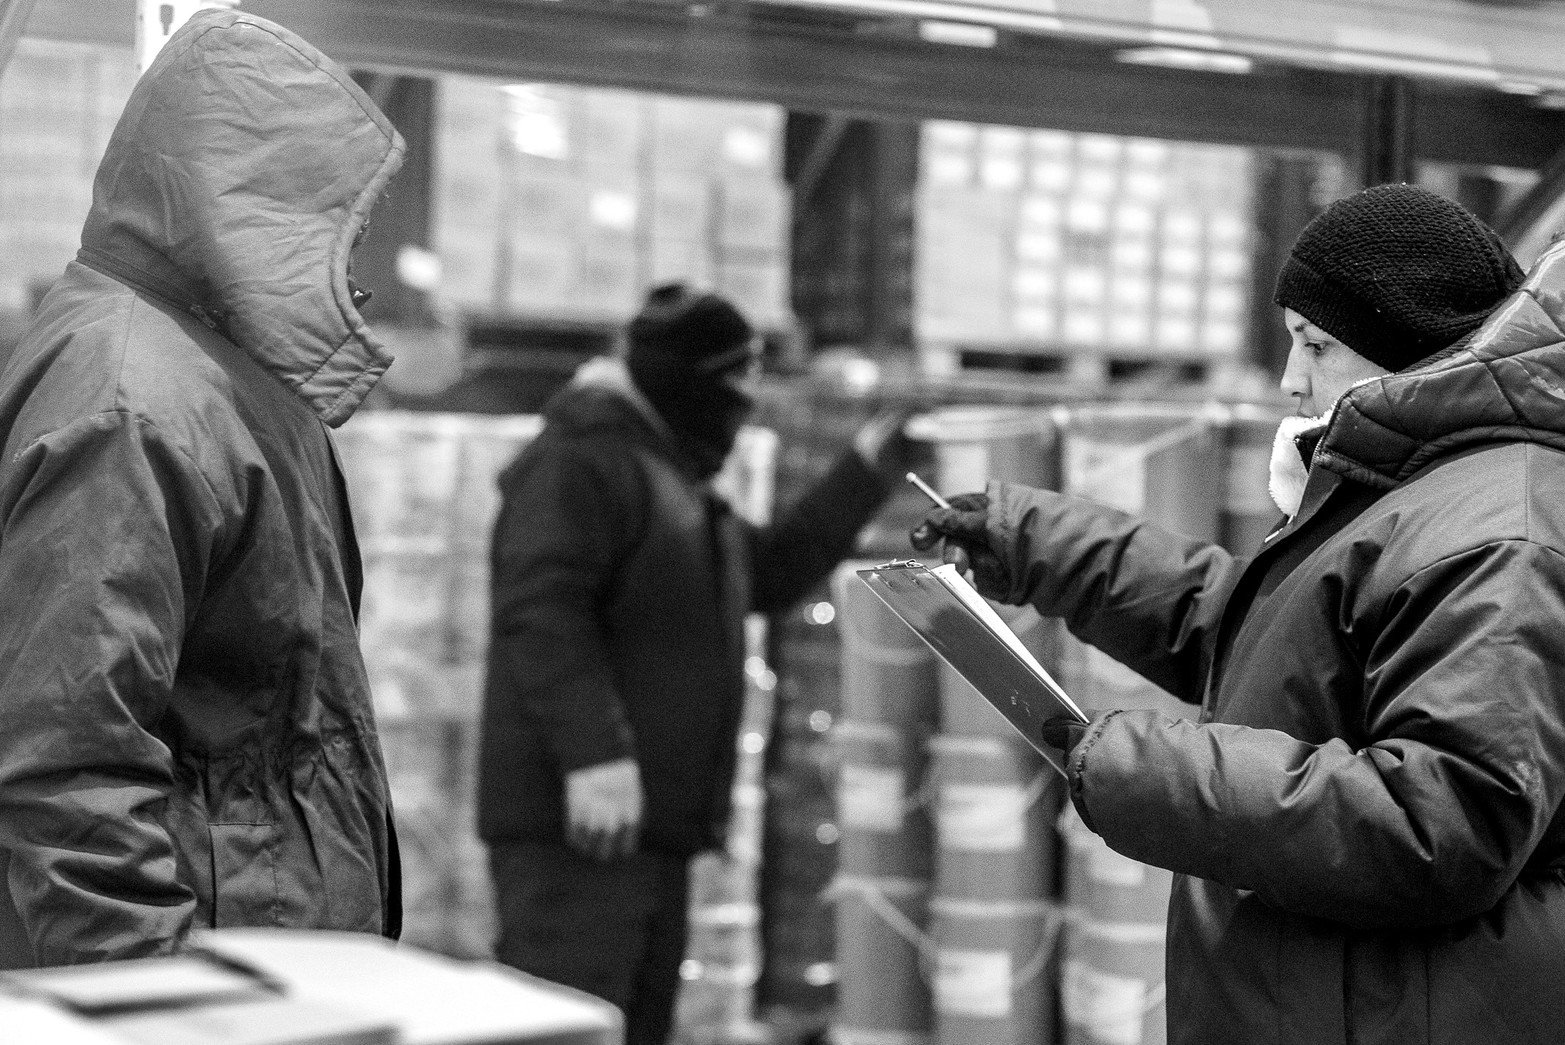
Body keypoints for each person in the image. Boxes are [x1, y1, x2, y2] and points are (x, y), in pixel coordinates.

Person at [912, 183, 1565, 1044]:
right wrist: (1034, 540)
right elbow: (1266, 640)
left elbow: (1439, 824)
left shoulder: (1495, 532)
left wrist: (1145, 772)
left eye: (1315, 343)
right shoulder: (1424, 494)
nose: (1292, 379)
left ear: (1404, 342)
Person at [0, 9, 405, 967]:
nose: (355, 269)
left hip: (258, 962)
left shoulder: (218, 378)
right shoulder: (133, 402)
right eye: (336, 227)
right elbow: (64, 761)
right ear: (255, 209)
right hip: (202, 978)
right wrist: (158, 1008)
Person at [478, 283, 913, 1045]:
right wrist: (594, 754)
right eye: (733, 382)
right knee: (568, 1028)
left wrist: (867, 469)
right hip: (580, 832)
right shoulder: (580, 463)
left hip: (645, 832)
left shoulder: (669, 477)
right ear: (682, 377)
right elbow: (541, 611)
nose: (742, 402)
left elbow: (770, 571)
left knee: (634, 1028)